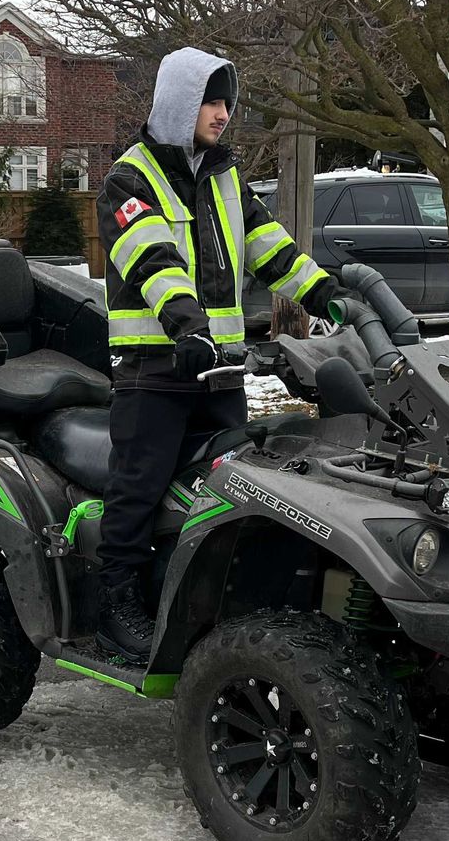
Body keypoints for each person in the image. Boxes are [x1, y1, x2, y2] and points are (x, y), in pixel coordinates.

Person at [93, 47, 339, 660]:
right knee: (139, 487)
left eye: (228, 101)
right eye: (211, 99)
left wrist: (324, 292)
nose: (223, 113)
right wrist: (187, 327)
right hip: (156, 372)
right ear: (179, 101)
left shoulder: (225, 177)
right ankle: (115, 600)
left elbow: (269, 246)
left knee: (229, 493)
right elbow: (153, 261)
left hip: (219, 375)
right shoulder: (131, 179)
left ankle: (209, 598)